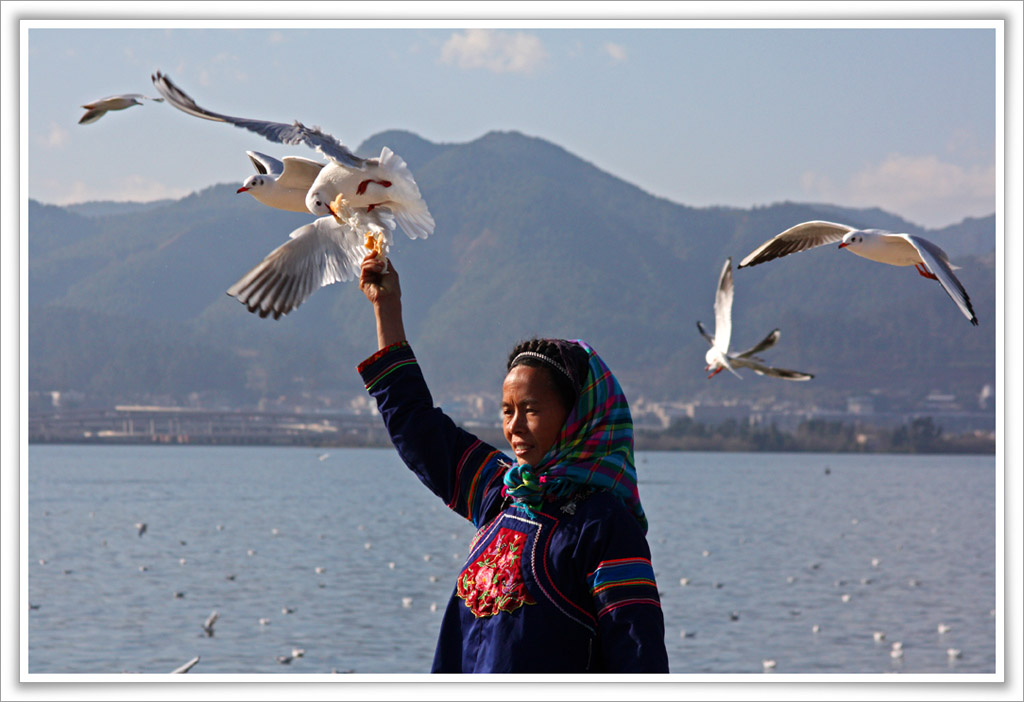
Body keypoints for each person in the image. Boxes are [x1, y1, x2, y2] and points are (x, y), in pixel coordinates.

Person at [356, 252, 669, 673]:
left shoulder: (604, 526)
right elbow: (417, 427)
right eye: (507, 411)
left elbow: (638, 659)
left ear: (577, 416)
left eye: (532, 410)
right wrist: (386, 308)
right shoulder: (500, 493)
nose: (515, 427)